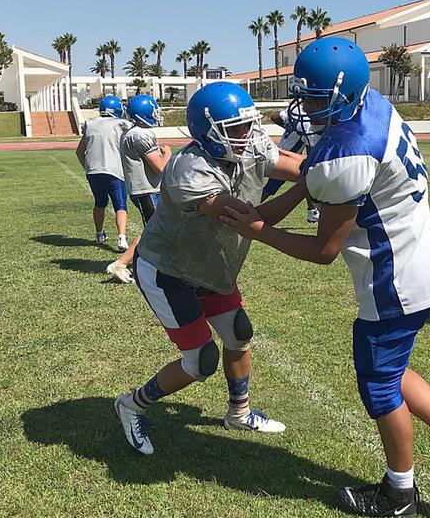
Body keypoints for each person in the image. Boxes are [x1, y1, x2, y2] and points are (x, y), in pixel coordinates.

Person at [221, 37, 430, 515]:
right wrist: (264, 213)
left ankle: (399, 493)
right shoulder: (374, 106)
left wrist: (259, 229)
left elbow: (325, 249)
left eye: (314, 97)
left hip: (394, 279)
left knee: (379, 385)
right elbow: (312, 177)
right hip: (419, 261)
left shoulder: (348, 151)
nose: (304, 106)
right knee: (391, 369)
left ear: (341, 93)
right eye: (302, 93)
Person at [113, 82, 304, 455]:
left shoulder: (251, 144)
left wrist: (333, 170)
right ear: (208, 131)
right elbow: (247, 218)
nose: (246, 135)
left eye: (248, 125)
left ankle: (239, 413)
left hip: (211, 265)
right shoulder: (191, 170)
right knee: (201, 361)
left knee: (239, 334)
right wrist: (310, 187)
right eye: (235, 128)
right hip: (169, 271)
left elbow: (296, 165)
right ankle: (131, 404)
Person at [106, 95, 171, 284]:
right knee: (154, 231)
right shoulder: (141, 135)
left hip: (144, 189)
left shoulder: (131, 133)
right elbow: (159, 167)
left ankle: (156, 265)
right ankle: (121, 263)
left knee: (159, 229)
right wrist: (167, 153)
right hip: (147, 190)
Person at [76, 95, 132, 250]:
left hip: (94, 171)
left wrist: (88, 168)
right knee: (120, 205)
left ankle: (99, 233)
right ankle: (121, 238)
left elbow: (79, 151)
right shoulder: (122, 124)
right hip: (114, 170)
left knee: (100, 203)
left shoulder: (90, 124)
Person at [261, 106, 321, 223]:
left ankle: (312, 211)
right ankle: (244, 210)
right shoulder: (308, 122)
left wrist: (290, 127)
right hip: (287, 158)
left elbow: (275, 116)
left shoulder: (296, 110)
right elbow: (314, 142)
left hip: (282, 151)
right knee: (270, 188)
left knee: (307, 178)